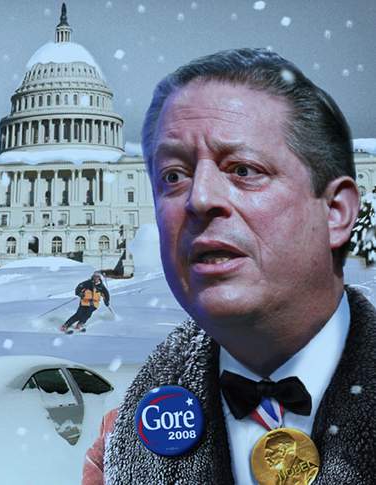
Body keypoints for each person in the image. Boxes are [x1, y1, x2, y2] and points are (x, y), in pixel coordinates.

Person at [82, 48, 375, 485]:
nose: (199, 198)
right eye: (173, 176)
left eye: (243, 169)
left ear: (334, 212)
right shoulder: (119, 443)